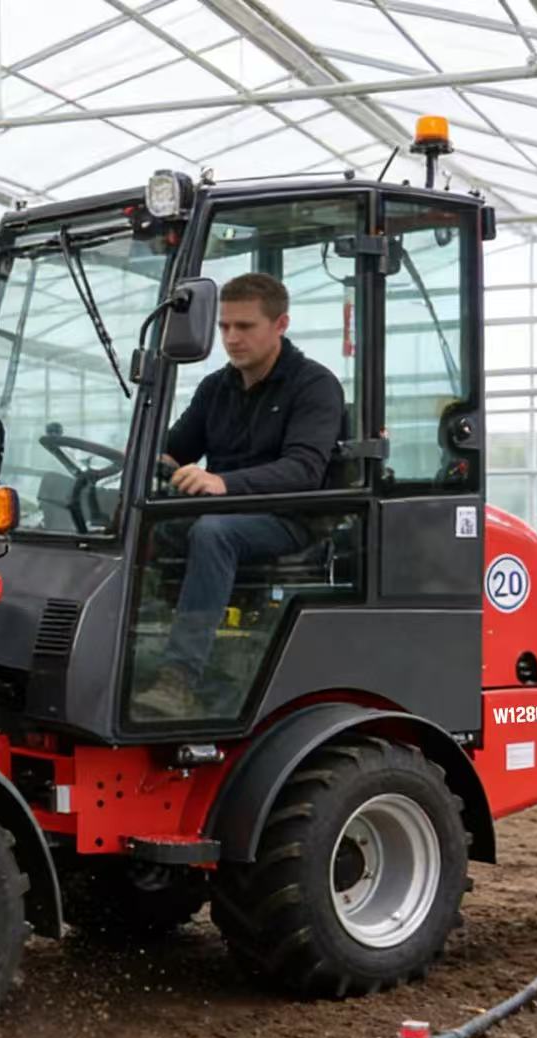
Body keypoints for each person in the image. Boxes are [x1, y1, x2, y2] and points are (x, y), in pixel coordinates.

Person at [149, 272, 345, 712]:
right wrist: (155, 464)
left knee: (214, 533)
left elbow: (304, 470)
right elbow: (175, 450)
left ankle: (177, 679)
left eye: (245, 327)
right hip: (223, 510)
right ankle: (126, 649)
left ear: (280, 325)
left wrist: (223, 483)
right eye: (223, 327)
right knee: (133, 521)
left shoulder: (315, 386)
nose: (231, 338)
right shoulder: (216, 388)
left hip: (289, 519)